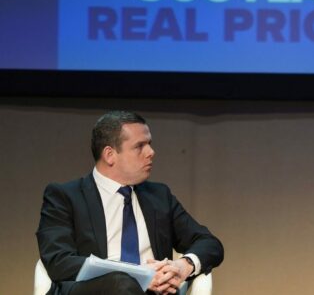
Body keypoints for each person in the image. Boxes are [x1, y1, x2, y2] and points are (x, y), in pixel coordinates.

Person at [37, 111, 224, 295]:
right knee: (120, 283)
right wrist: (141, 276)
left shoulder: (159, 196)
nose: (151, 152)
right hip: (94, 290)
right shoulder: (64, 197)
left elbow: (209, 243)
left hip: (156, 292)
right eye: (139, 146)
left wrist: (183, 265)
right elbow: (58, 260)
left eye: (149, 144)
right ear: (110, 155)